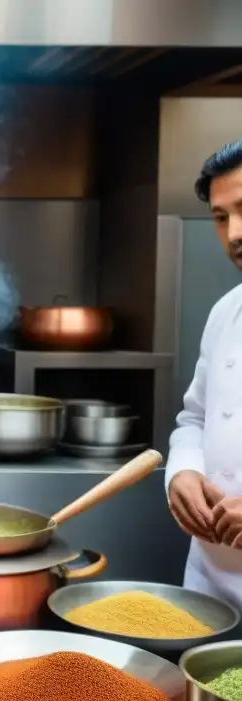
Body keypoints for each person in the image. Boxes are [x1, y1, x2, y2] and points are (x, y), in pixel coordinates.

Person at [167, 137, 242, 607]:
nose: (234, 232)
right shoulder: (227, 312)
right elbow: (194, 418)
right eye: (221, 217)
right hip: (211, 584)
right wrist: (182, 472)